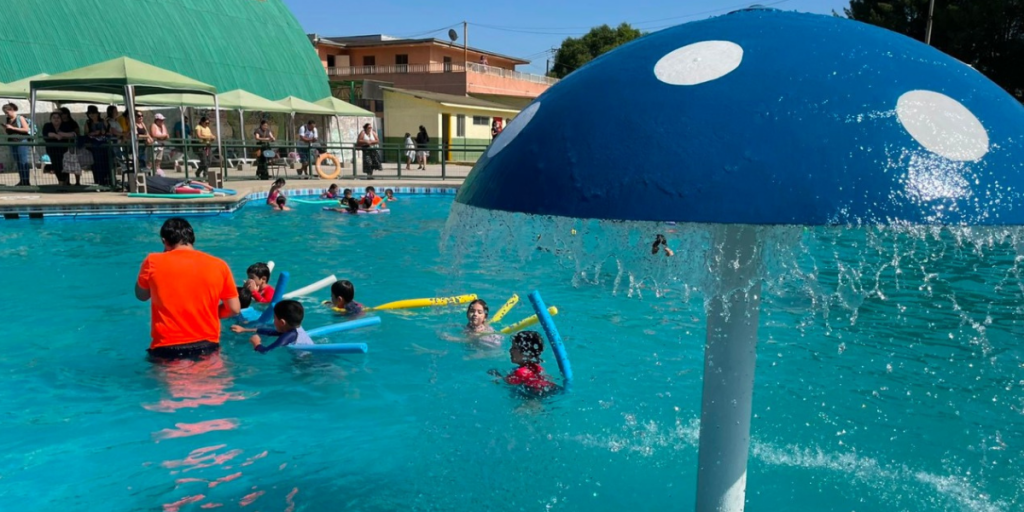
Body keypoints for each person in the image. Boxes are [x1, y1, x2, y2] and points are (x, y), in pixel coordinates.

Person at [135, 217, 241, 359]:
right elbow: (234, 309)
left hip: (167, 348)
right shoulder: (219, 265)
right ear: (192, 239)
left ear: (164, 241)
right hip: (207, 346)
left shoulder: (153, 261)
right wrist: (208, 313)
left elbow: (141, 295)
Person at [488, 331, 559, 396]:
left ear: (526, 353)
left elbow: (504, 383)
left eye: (514, 348)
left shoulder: (521, 372)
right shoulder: (537, 367)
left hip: (534, 396)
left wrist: (496, 376)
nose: (510, 350)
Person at [231, 300, 313, 354]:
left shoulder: (289, 335)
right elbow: (270, 332)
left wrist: (256, 343)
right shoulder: (293, 329)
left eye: (274, 318)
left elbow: (266, 351)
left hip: (304, 365)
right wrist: (244, 329)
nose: (273, 321)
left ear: (282, 322)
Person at [42, 112, 76, 185]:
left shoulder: (65, 125)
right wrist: (55, 135)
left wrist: (63, 134)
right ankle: (61, 181)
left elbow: (73, 134)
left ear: (61, 119)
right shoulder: (47, 125)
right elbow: (46, 133)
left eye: (58, 117)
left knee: (64, 165)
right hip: (52, 150)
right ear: (50, 119)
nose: (56, 119)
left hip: (65, 150)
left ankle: (64, 182)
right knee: (56, 165)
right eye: (54, 117)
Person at [3, 103, 32, 186]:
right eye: (5, 112)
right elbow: (8, 132)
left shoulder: (20, 118)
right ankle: (22, 180)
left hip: (21, 141)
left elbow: (26, 129)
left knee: (23, 161)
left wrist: (13, 128)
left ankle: (26, 181)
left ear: (12, 110)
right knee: (18, 162)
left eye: (7, 112)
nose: (6, 114)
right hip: (12, 142)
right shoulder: (8, 119)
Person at [84, 106, 112, 186]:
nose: (91, 115)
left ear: (97, 114)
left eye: (93, 113)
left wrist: (103, 132)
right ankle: (98, 181)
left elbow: (109, 132)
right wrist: (93, 133)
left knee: (105, 164)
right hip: (94, 147)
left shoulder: (103, 121)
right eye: (90, 113)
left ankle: (107, 181)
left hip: (104, 146)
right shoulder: (88, 123)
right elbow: (86, 133)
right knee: (96, 165)